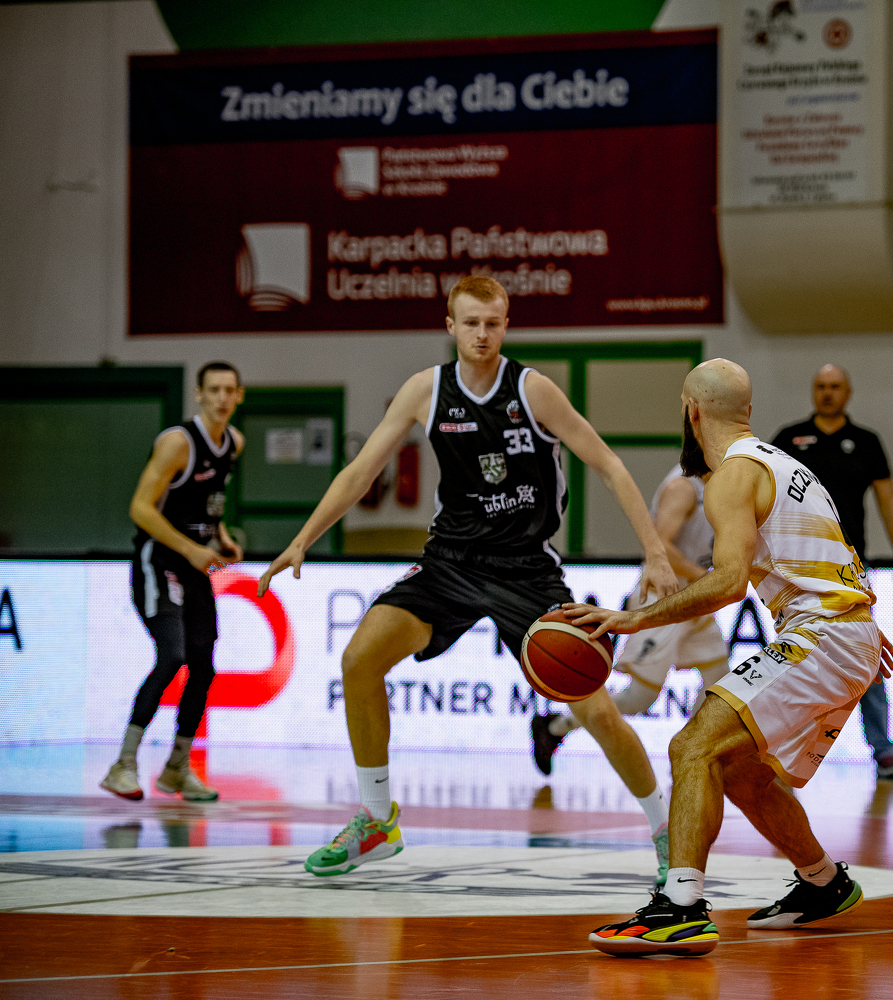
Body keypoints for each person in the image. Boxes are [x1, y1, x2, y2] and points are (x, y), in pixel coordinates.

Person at [256, 275, 680, 884]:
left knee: (597, 710)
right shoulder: (425, 390)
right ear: (450, 325)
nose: (482, 334)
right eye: (471, 323)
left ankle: (667, 829)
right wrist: (303, 538)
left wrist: (655, 553)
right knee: (359, 659)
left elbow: (609, 465)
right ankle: (376, 820)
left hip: (526, 569)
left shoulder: (533, 390)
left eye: (493, 323)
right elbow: (360, 471)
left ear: (506, 325)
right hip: (450, 562)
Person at [572, 359, 893, 957]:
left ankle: (681, 908)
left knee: (691, 746)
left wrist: (635, 618)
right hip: (844, 632)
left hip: (825, 635)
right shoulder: (786, 463)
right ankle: (823, 881)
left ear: (690, 411)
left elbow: (727, 582)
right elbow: (834, 552)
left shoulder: (729, 477)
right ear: (747, 411)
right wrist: (862, 629)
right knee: (741, 772)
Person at [100, 362, 246, 803]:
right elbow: (140, 508)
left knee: (203, 666)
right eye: (213, 389)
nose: (222, 398)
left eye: (229, 390)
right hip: (159, 559)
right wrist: (190, 548)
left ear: (239, 396)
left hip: (195, 563)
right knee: (173, 655)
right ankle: (123, 764)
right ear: (198, 394)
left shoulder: (234, 442)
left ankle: (177, 768)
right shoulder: (177, 443)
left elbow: (209, 501)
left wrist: (221, 536)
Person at [532, 463, 731, 771]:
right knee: (640, 698)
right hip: (665, 597)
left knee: (719, 677)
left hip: (693, 597)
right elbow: (659, 546)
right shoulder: (683, 488)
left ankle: (695, 755)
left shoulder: (723, 480)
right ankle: (556, 726)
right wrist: (705, 577)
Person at [772, 364, 893, 781]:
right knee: (792, 655)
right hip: (797, 570)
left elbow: (889, 501)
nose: (827, 393)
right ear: (812, 391)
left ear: (847, 392)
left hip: (851, 571)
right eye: (820, 386)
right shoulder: (788, 439)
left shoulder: (866, 442)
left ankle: (883, 750)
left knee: (865, 656)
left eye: (834, 386)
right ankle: (782, 746)